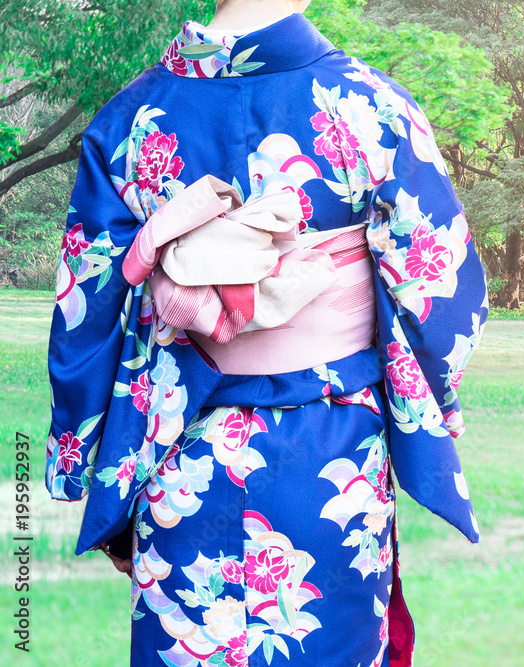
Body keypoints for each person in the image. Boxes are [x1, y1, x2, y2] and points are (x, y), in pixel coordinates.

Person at [43, 1, 489, 665]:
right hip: (332, 455)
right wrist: (435, 406)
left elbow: (84, 315)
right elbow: (444, 301)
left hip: (178, 456)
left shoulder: (129, 120)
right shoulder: (370, 107)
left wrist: (78, 454)